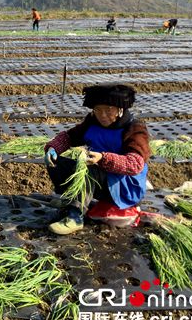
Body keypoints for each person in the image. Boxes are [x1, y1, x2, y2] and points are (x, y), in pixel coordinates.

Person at [43, 84, 150, 235]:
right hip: (101, 177)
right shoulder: (92, 122)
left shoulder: (134, 129)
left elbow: (135, 164)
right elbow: (69, 136)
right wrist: (53, 148)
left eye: (108, 110)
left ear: (120, 109)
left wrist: (103, 158)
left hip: (124, 184)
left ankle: (75, 216)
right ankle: (69, 198)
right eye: (98, 110)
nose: (103, 115)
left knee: (88, 170)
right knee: (57, 162)